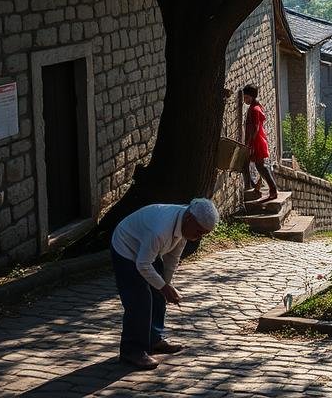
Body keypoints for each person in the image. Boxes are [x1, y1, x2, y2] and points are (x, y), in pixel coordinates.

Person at [110, 198, 219, 370]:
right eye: (198, 232)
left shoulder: (185, 225)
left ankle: (154, 339)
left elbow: (172, 259)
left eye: (203, 234)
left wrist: (165, 286)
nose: (198, 237)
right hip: (126, 246)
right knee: (140, 300)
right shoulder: (160, 230)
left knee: (158, 294)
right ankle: (132, 350)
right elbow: (142, 264)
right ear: (190, 219)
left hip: (146, 251)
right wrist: (164, 287)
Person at [242, 84, 279, 201]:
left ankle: (272, 190)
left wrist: (250, 143)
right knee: (259, 166)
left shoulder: (254, 109)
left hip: (256, 141)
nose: (245, 100)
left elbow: (256, 128)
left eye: (247, 97)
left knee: (261, 166)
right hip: (257, 140)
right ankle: (260, 187)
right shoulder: (256, 107)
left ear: (252, 97)